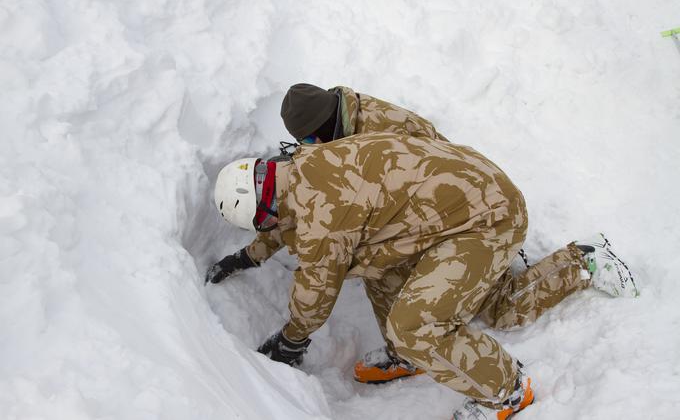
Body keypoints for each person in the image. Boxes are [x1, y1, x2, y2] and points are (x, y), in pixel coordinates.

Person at [207, 131, 639, 420]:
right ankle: (411, 353)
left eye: (263, 223)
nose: (270, 228)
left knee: (427, 323)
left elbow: (316, 287)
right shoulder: (303, 165)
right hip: (462, 200)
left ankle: (507, 389)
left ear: (263, 209)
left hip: (487, 219)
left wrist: (292, 339)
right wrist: (249, 257)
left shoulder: (323, 215)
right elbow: (288, 223)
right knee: (377, 270)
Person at [207, 83, 452, 384]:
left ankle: (412, 348)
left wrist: (292, 340)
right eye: (303, 143)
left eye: (310, 139)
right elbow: (288, 206)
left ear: (328, 124)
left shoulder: (383, 129)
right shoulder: (329, 142)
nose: (309, 147)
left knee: (380, 267)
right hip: (396, 204)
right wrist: (248, 257)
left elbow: (319, 275)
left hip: (436, 208)